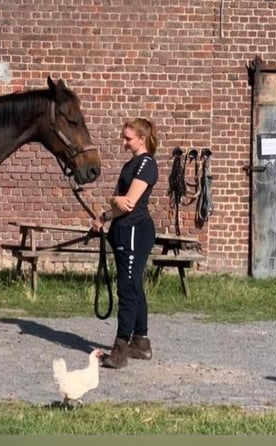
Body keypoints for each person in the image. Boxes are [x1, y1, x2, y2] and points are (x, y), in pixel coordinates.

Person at [92, 118, 159, 369]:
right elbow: (119, 206)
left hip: (134, 231)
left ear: (142, 139)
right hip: (122, 229)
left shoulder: (146, 164)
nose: (124, 142)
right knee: (134, 284)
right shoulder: (131, 164)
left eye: (128, 138)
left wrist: (113, 200)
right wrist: (104, 217)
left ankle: (120, 350)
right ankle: (140, 342)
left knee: (127, 288)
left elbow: (128, 203)